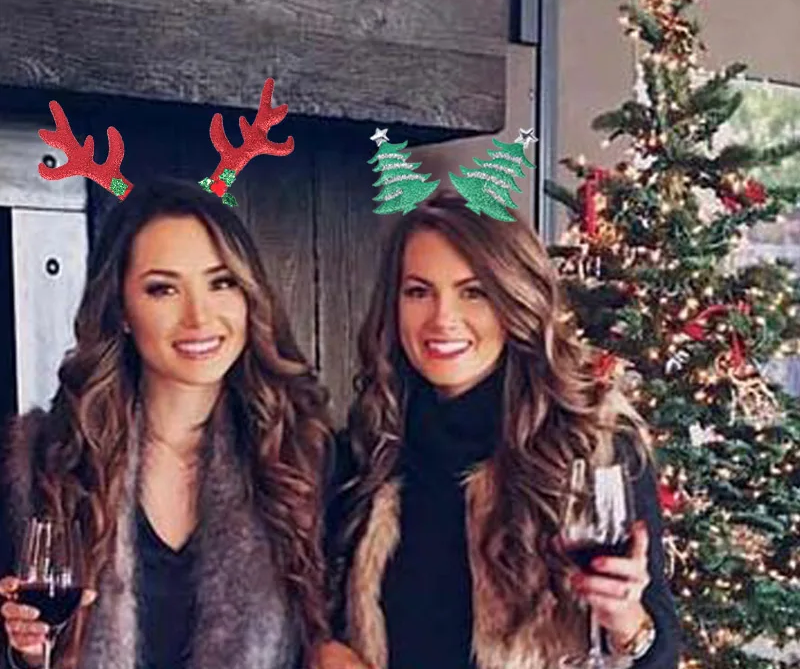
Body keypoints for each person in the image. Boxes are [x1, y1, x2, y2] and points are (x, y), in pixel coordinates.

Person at [318, 191, 680, 669]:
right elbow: (311, 617)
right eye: (419, 292)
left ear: (515, 298)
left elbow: (661, 651)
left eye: (474, 292)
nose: (443, 318)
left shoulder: (596, 445)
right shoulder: (367, 448)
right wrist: (324, 650)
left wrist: (627, 621)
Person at [0, 179, 332, 669]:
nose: (199, 316)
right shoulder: (40, 462)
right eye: (163, 289)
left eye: (221, 282)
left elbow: (336, 640)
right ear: (121, 310)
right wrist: (25, 653)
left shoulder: (303, 455)